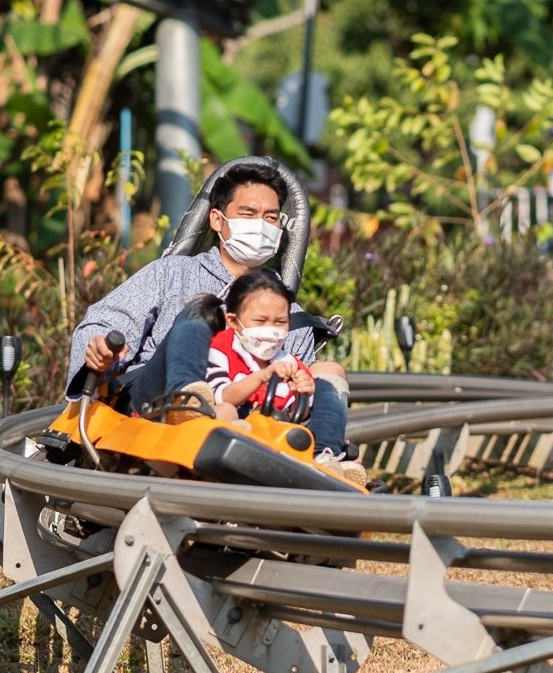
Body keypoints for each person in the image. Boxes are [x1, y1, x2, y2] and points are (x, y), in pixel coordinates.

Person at [67, 161, 357, 476]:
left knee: (326, 371)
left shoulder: (291, 316)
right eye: (248, 214)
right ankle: (188, 398)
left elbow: (294, 396)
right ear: (217, 221)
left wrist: (301, 387)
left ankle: (324, 460)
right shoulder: (172, 274)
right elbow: (104, 325)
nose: (260, 225)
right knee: (201, 308)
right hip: (153, 406)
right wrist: (101, 351)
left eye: (270, 217)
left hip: (244, 421)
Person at [201, 269, 319, 419]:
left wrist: (301, 393)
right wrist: (263, 376)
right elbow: (221, 398)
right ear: (233, 321)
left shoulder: (291, 364)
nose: (270, 329)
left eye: (280, 322)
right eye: (260, 321)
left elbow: (299, 417)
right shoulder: (220, 350)